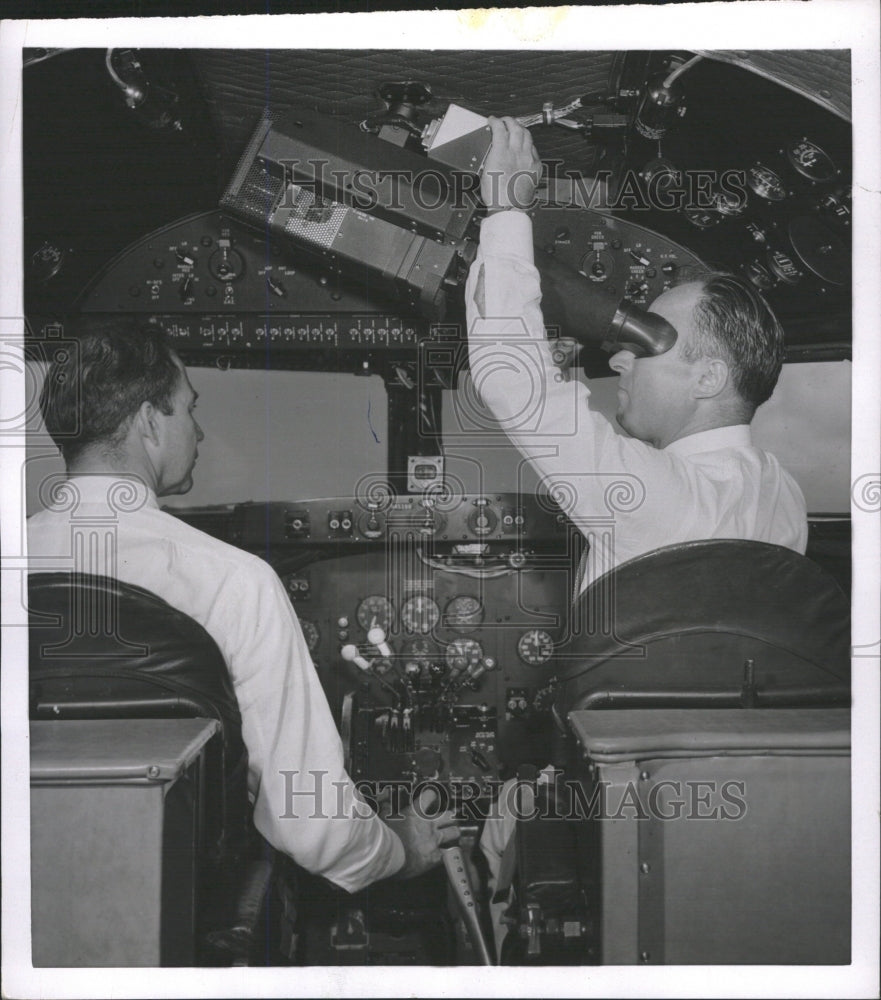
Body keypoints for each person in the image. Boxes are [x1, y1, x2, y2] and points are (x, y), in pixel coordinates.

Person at [466, 117, 809, 949]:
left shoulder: (659, 496)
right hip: (747, 805)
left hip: (612, 794)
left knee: (496, 841)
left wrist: (506, 214)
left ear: (710, 376)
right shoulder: (783, 497)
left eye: (645, 345)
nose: (617, 360)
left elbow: (512, 388)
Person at [28, 319, 457, 894]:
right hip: (179, 894)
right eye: (189, 410)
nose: (199, 433)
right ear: (151, 423)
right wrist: (399, 850)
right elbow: (313, 825)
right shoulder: (234, 581)